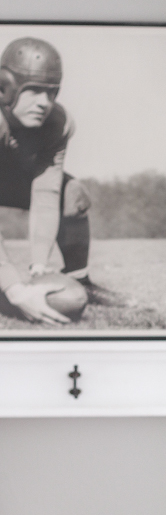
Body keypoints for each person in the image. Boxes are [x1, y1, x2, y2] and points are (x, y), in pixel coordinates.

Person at [0, 36, 91, 323]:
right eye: (35, 91)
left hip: (10, 181)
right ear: (5, 88)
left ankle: (80, 277)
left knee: (71, 191)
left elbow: (46, 194)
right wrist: (14, 289)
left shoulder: (57, 123)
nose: (45, 103)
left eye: (51, 92)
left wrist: (39, 266)